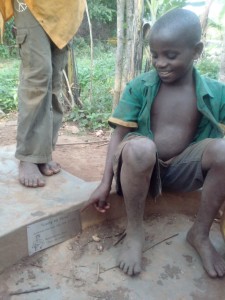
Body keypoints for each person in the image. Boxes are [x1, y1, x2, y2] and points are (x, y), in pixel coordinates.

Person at [85, 8, 225, 278]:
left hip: (186, 170)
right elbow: (119, 135)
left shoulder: (216, 93)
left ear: (196, 51)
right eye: (155, 55)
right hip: (143, 172)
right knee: (140, 148)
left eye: (171, 55)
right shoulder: (141, 86)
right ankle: (135, 233)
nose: (160, 62)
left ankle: (200, 233)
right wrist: (104, 183)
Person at [0, 0, 85, 187]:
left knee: (54, 79)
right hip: (31, 3)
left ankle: (43, 152)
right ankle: (29, 155)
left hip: (64, 6)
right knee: (38, 75)